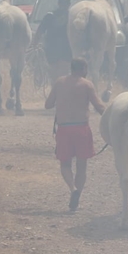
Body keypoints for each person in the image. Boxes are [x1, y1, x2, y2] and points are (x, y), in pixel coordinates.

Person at [44, 57, 107, 212]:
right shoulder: (87, 85)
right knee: (81, 166)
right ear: (83, 69)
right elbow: (99, 107)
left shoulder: (59, 82)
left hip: (64, 129)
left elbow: (48, 105)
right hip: (81, 129)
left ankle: (73, 189)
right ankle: (77, 198)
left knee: (65, 164)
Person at [32, 0, 73, 85]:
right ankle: (59, 93)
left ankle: (56, 92)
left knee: (55, 74)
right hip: (64, 49)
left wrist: (34, 44)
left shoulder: (49, 16)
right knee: (62, 73)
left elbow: (39, 32)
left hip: (54, 49)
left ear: (58, 3)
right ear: (69, 4)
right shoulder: (71, 17)